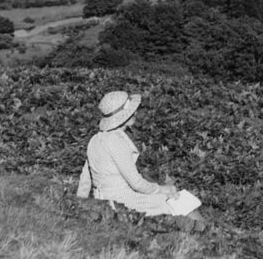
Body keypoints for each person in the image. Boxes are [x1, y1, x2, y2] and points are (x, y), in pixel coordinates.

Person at [76, 91, 203, 219]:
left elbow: (85, 179)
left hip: (103, 200)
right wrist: (162, 189)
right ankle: (209, 234)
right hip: (121, 201)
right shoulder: (116, 141)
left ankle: (203, 233)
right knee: (180, 201)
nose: (135, 113)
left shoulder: (95, 139)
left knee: (172, 199)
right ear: (124, 116)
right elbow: (136, 183)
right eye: (131, 111)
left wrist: (81, 203)